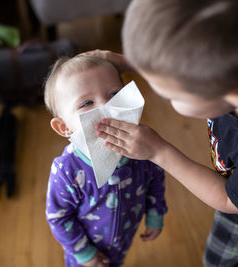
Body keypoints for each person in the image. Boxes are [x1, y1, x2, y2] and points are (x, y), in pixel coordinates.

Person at [92, 0, 238, 265]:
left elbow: (227, 198)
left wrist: (158, 151)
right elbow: (196, 69)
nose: (164, 98)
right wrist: (130, 62)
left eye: (172, 95)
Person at [44, 55, 168, 267]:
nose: (106, 106)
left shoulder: (141, 145)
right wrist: (85, 254)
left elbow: (156, 178)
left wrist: (156, 213)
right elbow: (59, 217)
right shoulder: (67, 170)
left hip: (124, 238)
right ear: (64, 127)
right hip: (84, 254)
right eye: (87, 103)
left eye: (114, 94)